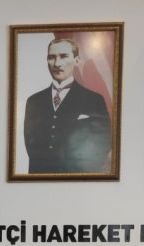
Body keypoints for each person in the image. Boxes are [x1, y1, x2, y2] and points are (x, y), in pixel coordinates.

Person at [23, 38, 111, 173]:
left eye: (64, 56)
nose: (57, 63)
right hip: (40, 179)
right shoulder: (34, 101)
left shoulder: (94, 99)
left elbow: (102, 142)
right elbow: (31, 146)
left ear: (76, 60)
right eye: (51, 57)